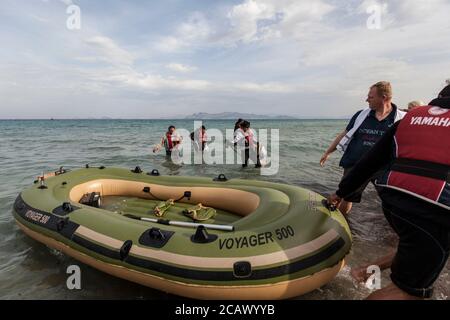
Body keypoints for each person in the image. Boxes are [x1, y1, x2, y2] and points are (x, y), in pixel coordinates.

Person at [327, 83, 450, 300]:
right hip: (433, 207)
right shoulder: (366, 115)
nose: (367, 99)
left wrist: (341, 191)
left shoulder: (410, 118)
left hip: (393, 198)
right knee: (405, 292)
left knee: (413, 242)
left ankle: (365, 270)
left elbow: (370, 161)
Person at [320, 81, 406, 214]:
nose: (367, 100)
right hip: (355, 164)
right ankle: (342, 223)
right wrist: (328, 152)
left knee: (392, 200)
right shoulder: (362, 115)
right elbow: (344, 134)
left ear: (384, 98)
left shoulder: (401, 118)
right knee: (346, 197)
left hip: (383, 168)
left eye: (371, 97)